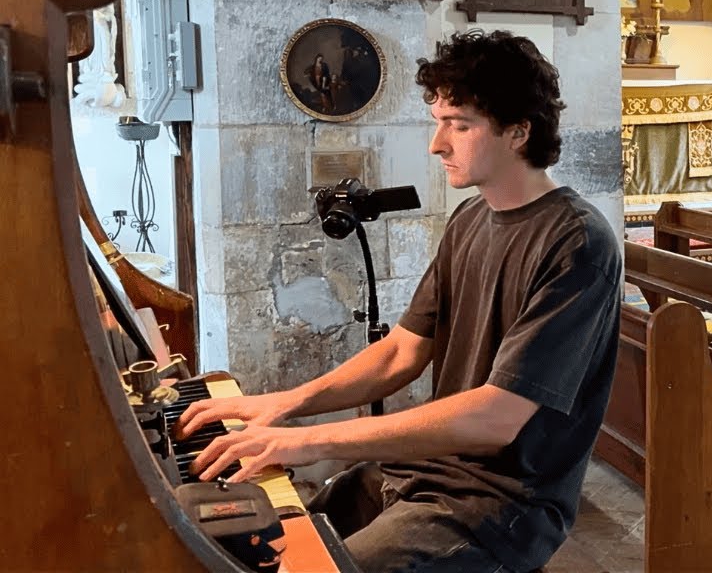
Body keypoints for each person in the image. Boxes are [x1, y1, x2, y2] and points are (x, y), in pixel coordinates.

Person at [177, 29, 622, 572]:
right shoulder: (470, 219)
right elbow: (400, 353)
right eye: (438, 122)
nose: (438, 144)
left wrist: (313, 442)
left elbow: (496, 419)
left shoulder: (576, 243)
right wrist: (286, 404)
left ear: (518, 131)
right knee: (264, 540)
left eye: (460, 125)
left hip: (498, 505)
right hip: (423, 472)